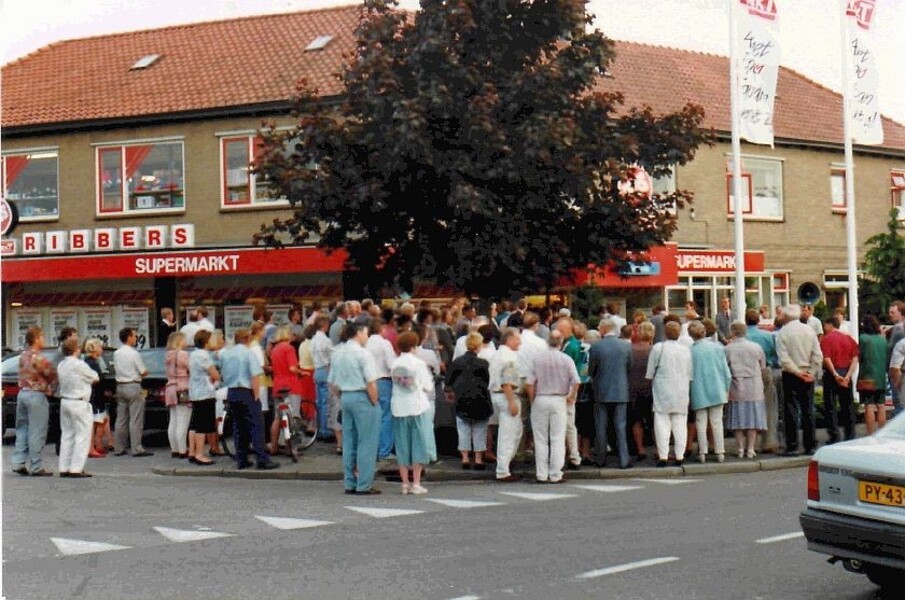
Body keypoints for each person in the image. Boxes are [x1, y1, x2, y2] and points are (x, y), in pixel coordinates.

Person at [329, 321, 381, 495]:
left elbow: (332, 383)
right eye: (366, 333)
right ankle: (364, 483)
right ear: (358, 333)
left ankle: (349, 483)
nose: (367, 337)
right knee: (367, 441)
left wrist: (342, 395)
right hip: (362, 396)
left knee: (349, 441)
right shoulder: (363, 354)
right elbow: (371, 382)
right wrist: (374, 401)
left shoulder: (337, 353)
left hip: (345, 396)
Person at [526, 330, 580, 483]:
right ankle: (555, 473)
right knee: (557, 437)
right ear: (561, 342)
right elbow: (576, 381)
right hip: (558, 399)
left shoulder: (537, 359)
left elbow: (530, 383)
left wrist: (532, 400)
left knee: (540, 438)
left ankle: (541, 474)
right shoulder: (566, 359)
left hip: (541, 398)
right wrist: (570, 395)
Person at [219, 328, 277, 470]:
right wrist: (256, 394)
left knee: (238, 426)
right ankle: (261, 459)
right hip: (247, 391)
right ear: (247, 339)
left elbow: (222, 373)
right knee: (256, 425)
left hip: (232, 391)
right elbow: (255, 375)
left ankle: (241, 459)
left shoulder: (226, 354)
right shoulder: (249, 353)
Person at [390, 331, 433, 495]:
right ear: (413, 346)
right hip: (417, 406)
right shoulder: (418, 364)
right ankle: (416, 482)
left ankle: (404, 483)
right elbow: (427, 386)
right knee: (418, 445)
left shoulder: (394, 364)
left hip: (399, 407)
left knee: (402, 445)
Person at [776, 304, 823, 456]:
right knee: (808, 409)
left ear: (786, 317)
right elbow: (818, 355)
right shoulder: (809, 330)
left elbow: (783, 358)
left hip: (791, 374)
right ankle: (810, 445)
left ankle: (792, 445)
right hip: (808, 372)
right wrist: (811, 372)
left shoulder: (782, 333)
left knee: (790, 410)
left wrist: (797, 372)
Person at [11, 327, 57, 476]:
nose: (43, 340)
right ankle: (36, 465)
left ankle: (18, 462)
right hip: (36, 395)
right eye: (42, 337)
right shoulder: (39, 358)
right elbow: (51, 375)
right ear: (36, 339)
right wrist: (50, 388)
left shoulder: (22, 356)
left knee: (22, 429)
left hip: (22, 393)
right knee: (37, 430)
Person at [646, 321, 692, 467]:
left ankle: (663, 455)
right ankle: (679, 454)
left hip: (662, 388)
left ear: (665, 333)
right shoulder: (686, 350)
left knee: (661, 422)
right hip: (681, 389)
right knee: (680, 423)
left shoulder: (658, 348)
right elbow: (690, 373)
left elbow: (650, 372)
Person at [588, 319, 633, 469]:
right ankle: (624, 459)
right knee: (621, 424)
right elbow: (629, 366)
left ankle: (601, 458)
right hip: (621, 389)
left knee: (601, 424)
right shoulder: (625, 346)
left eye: (600, 327)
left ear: (604, 329)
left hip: (601, 390)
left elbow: (591, 370)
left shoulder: (596, 347)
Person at [446, 332, 493, 470]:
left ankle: (465, 457)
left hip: (462, 397)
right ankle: (478, 459)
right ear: (479, 346)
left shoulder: (457, 362)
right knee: (480, 428)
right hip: (480, 398)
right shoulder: (483, 364)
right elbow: (487, 381)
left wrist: (449, 393)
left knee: (463, 428)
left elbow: (449, 381)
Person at [56, 337, 99, 478]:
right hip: (79, 401)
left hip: (65, 400)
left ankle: (64, 466)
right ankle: (76, 468)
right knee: (82, 435)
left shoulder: (61, 365)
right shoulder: (80, 365)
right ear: (76, 349)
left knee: (67, 434)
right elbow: (95, 377)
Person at [688, 321, 730, 463]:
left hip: (698, 389)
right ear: (704, 332)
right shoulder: (718, 348)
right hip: (718, 388)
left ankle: (702, 452)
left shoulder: (690, 351)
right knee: (717, 421)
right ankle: (720, 451)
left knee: (700, 421)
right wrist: (726, 387)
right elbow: (726, 372)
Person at [725, 322, 767, 459]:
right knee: (752, 419)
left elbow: (725, 368)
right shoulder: (756, 347)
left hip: (736, 385)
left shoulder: (728, 349)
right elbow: (763, 366)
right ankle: (751, 448)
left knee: (738, 420)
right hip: (754, 385)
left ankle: (740, 448)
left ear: (733, 332)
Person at [489, 328, 523, 482]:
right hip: (507, 396)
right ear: (509, 339)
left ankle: (505, 463)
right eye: (517, 339)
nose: (520, 342)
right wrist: (511, 402)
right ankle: (503, 469)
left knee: (513, 432)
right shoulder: (509, 357)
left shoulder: (497, 354)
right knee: (508, 434)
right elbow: (507, 381)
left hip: (497, 395)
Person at [745, 309, 780, 453]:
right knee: (769, 407)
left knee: (746, 407)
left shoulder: (742, 336)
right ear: (759, 321)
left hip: (746, 374)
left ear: (746, 321)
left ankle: (748, 444)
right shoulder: (768, 336)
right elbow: (775, 355)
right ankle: (769, 441)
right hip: (765, 371)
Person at [112, 327, 151, 457]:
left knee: (121, 418)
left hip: (120, 386)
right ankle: (136, 447)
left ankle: (119, 447)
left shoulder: (116, 353)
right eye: (134, 336)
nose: (136, 338)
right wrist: (146, 372)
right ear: (128, 337)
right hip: (133, 385)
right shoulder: (134, 353)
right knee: (136, 418)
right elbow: (143, 371)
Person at [819, 316, 859, 443]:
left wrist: (835, 374)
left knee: (830, 405)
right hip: (846, 372)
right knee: (847, 405)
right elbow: (855, 359)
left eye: (825, 325)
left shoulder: (826, 339)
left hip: (832, 374)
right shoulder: (848, 339)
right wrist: (848, 376)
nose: (824, 328)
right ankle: (850, 433)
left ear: (830, 325)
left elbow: (827, 358)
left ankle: (834, 435)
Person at [269, 326, 303, 455]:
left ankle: (274, 446)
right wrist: (302, 372)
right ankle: (291, 448)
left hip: (278, 385)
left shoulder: (275, 349)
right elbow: (293, 368)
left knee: (278, 417)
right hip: (290, 385)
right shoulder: (289, 348)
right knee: (293, 417)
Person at [366, 318, 397, 460]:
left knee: (372, 418)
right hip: (383, 381)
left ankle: (373, 449)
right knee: (385, 416)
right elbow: (391, 365)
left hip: (368, 382)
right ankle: (384, 451)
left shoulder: (365, 344)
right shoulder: (384, 344)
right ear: (381, 329)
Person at [187, 329, 219, 465]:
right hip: (205, 393)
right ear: (206, 341)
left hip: (195, 392)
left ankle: (192, 452)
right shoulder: (205, 356)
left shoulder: (193, 354)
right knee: (202, 425)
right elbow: (215, 374)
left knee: (194, 424)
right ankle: (200, 454)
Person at [555, 318, 583, 471]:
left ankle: (573, 455)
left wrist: (573, 393)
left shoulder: (571, 346)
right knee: (568, 424)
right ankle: (572, 455)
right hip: (567, 389)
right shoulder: (569, 344)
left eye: (560, 329)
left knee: (568, 424)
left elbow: (573, 373)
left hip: (568, 390)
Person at [628, 322, 655, 462]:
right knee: (654, 420)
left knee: (636, 420)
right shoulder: (654, 350)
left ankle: (640, 449)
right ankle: (658, 449)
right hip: (651, 388)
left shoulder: (630, 349)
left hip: (633, 388)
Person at [858, 315, 888, 435]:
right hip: (881, 377)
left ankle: (870, 434)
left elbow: (860, 357)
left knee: (869, 407)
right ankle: (882, 434)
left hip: (867, 377)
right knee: (881, 405)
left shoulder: (863, 338)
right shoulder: (882, 340)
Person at [164, 332, 191, 458]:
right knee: (183, 420)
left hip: (170, 388)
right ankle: (182, 450)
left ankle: (174, 448)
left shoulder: (168, 355)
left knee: (173, 420)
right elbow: (191, 368)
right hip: (182, 388)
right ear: (179, 341)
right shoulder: (183, 354)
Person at [83, 338, 111, 458]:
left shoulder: (90, 361)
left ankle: (96, 445)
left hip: (94, 395)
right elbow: (97, 380)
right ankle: (95, 445)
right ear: (94, 348)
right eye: (100, 347)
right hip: (95, 396)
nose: (102, 349)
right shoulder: (92, 362)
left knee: (101, 420)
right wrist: (105, 391)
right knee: (98, 421)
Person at [311, 316, 334, 440]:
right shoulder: (326, 340)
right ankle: (325, 430)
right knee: (325, 403)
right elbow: (332, 355)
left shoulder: (313, 339)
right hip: (325, 370)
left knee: (319, 402)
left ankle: (318, 428)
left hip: (316, 370)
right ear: (325, 325)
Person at [886, 301, 905, 416]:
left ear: (901, 313)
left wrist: (896, 381)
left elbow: (893, 355)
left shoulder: (898, 331)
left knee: (899, 405)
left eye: (893, 312)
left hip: (899, 373)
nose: (890, 315)